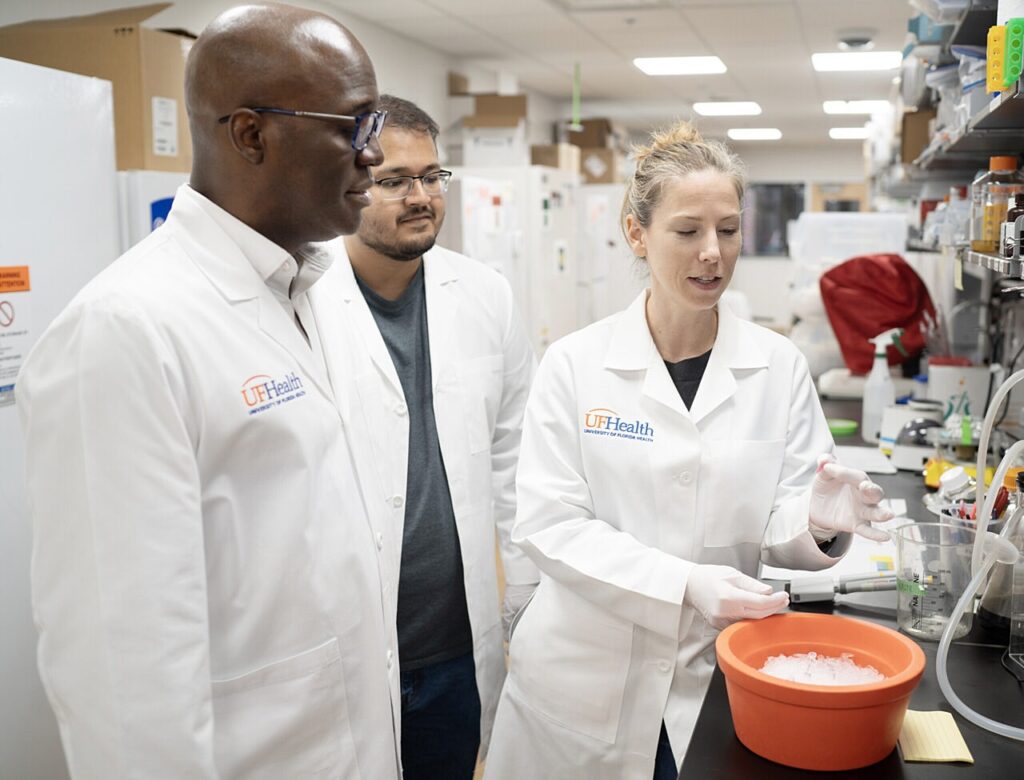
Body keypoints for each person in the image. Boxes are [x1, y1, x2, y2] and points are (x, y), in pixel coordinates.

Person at [16, 5, 401, 778]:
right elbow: (124, 677)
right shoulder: (124, 330)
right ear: (250, 134)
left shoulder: (317, 284)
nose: (377, 154)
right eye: (354, 126)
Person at [483, 122, 893, 780]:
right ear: (637, 233)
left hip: (714, 672)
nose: (712, 254)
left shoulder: (777, 365)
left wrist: (814, 523)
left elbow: (778, 524)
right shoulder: (575, 365)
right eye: (688, 231)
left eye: (728, 231)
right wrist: (683, 583)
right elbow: (549, 524)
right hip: (582, 679)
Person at [313, 95, 538, 779]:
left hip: (454, 645)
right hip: (341, 649)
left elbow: (514, 457)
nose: (421, 197)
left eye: (433, 177)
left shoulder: (485, 294)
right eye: (394, 180)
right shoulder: (298, 297)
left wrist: (524, 597)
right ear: (347, 185)